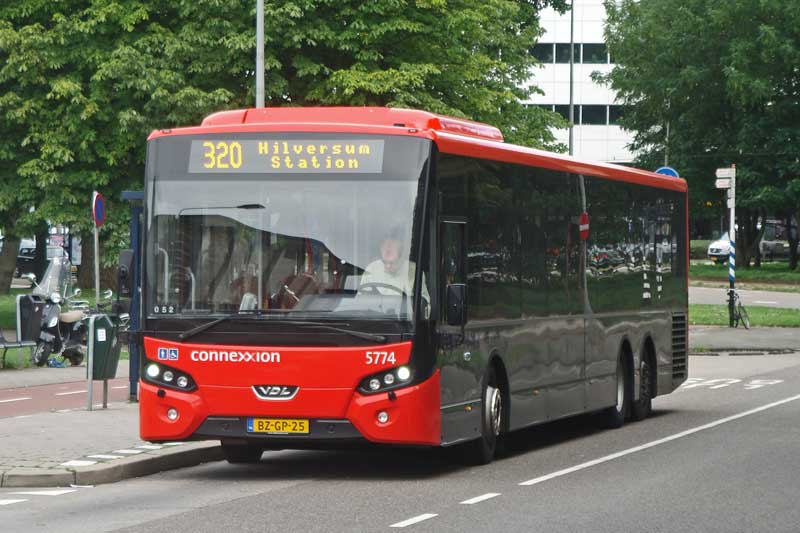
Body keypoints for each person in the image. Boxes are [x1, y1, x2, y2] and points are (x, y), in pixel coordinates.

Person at [361, 228, 430, 306]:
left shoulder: (414, 271)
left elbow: (425, 304)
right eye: (384, 262)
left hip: (404, 317)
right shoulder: (371, 269)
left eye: (392, 263)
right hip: (375, 316)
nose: (388, 266)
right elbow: (360, 302)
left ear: (401, 258)